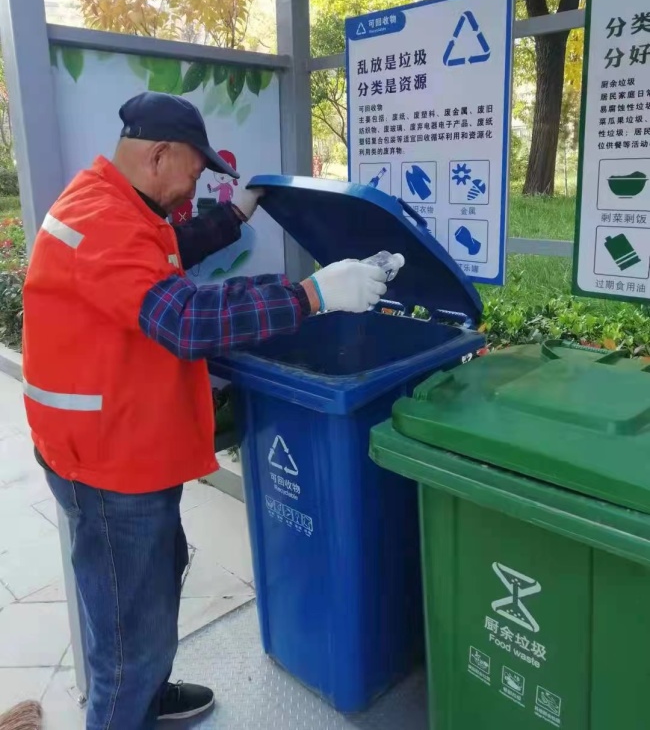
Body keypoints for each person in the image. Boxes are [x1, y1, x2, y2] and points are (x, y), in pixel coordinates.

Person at [21, 92, 399, 730]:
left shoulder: (119, 202)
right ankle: (131, 697)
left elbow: (172, 247)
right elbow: (185, 319)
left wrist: (238, 215)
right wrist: (313, 294)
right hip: (107, 464)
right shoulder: (104, 222)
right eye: (196, 172)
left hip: (121, 443)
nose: (196, 186)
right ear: (160, 155)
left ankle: (148, 690)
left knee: (154, 580)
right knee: (126, 634)